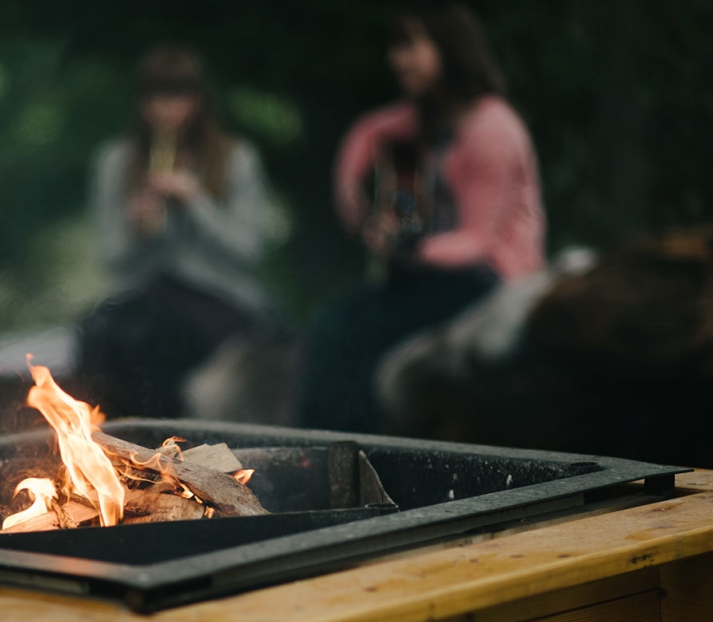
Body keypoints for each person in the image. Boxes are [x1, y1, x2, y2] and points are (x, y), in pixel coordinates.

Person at [297, 2, 545, 433]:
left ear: (450, 48)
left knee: (345, 333)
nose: (397, 60)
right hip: (443, 274)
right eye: (396, 46)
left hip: (491, 281)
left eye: (410, 45)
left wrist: (407, 245)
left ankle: (341, 450)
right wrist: (350, 189)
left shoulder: (492, 130)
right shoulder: (434, 120)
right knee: (336, 327)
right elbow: (369, 131)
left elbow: (477, 241)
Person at [78, 46, 270, 418]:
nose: (164, 110)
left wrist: (195, 202)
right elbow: (112, 260)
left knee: (160, 337)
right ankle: (108, 451)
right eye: (154, 97)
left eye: (176, 96)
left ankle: (170, 453)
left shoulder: (236, 159)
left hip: (220, 299)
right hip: (143, 297)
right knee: (97, 331)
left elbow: (248, 253)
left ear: (198, 101)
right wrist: (137, 228)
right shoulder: (115, 162)